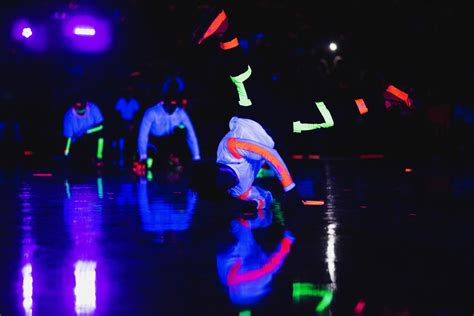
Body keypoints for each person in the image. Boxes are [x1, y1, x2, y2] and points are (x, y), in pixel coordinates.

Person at [190, 116, 302, 214]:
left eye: (223, 179)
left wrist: (289, 188)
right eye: (224, 187)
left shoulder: (230, 148)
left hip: (258, 118)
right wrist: (254, 204)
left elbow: (269, 154)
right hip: (275, 138)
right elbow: (267, 197)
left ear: (219, 168)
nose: (229, 184)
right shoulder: (237, 191)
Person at [135, 76, 201, 175]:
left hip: (171, 143)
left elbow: (191, 135)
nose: (171, 108)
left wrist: (196, 157)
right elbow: (143, 135)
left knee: (182, 130)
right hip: (155, 143)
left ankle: (173, 159)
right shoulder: (151, 112)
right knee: (149, 164)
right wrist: (143, 156)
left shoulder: (181, 113)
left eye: (174, 105)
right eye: (170, 105)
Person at [63, 95, 105, 167]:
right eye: (78, 109)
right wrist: (67, 151)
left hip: (92, 134)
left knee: (101, 135)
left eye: (82, 109)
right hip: (78, 139)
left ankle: (99, 157)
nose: (81, 112)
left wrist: (88, 132)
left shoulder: (93, 108)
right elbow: (69, 138)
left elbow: (101, 126)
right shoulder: (68, 116)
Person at [113, 85, 140, 165]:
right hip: (122, 122)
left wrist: (132, 124)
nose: (128, 94)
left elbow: (136, 115)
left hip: (131, 122)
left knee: (134, 130)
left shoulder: (134, 102)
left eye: (130, 92)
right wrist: (124, 124)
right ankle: (120, 150)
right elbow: (117, 115)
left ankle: (133, 152)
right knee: (120, 130)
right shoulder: (120, 101)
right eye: (127, 92)